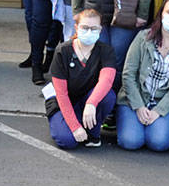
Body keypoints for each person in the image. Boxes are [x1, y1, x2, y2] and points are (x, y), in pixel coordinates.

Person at [117, 0, 169, 152]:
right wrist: (138, 106)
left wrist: (158, 111)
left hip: (164, 102)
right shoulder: (143, 38)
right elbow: (128, 74)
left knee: (158, 143)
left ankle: (153, 124)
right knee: (130, 141)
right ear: (161, 14)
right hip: (135, 98)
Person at [45, 9, 116, 149]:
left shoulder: (106, 51)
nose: (89, 32)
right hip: (63, 102)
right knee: (67, 141)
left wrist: (91, 103)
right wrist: (74, 126)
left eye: (94, 28)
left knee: (108, 96)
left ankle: (93, 133)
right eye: (85, 27)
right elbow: (61, 94)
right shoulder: (62, 51)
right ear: (76, 27)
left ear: (100, 30)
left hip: (87, 101)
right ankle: (72, 123)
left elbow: (106, 80)